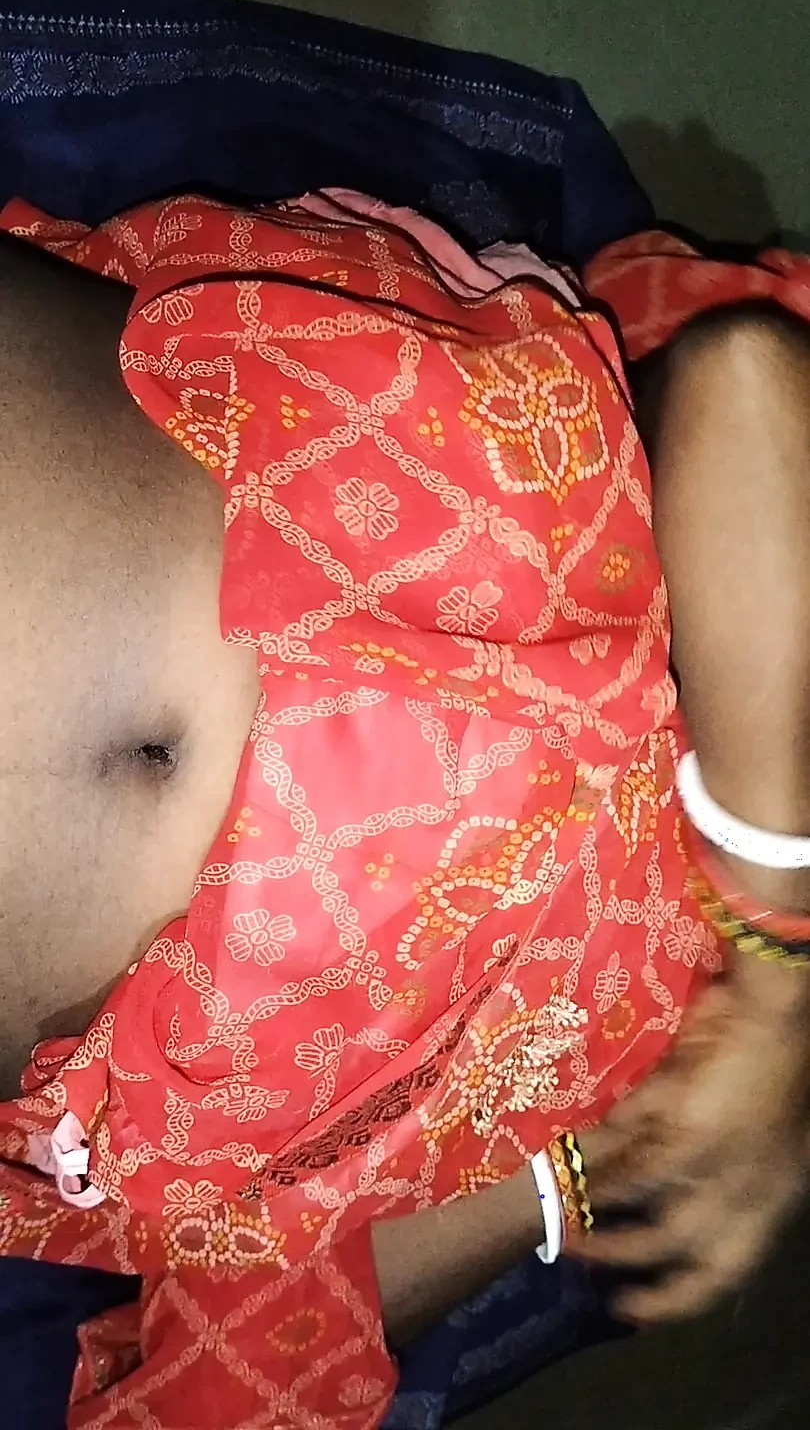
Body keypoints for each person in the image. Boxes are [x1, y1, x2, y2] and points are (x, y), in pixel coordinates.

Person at [1, 185, 810, 1430]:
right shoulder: (774, 922)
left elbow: (283, 1320)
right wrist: (774, 971)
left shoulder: (703, 1050)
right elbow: (745, 389)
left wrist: (626, 1145)